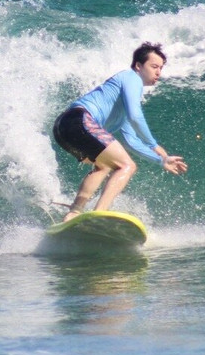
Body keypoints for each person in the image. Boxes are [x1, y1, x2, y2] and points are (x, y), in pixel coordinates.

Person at [52, 42, 187, 221]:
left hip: (63, 127)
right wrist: (155, 146)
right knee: (127, 166)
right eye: (154, 66)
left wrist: (161, 161)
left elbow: (132, 141)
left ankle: (73, 213)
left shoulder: (121, 108)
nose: (158, 72)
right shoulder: (131, 78)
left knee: (104, 166)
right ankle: (98, 215)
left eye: (161, 68)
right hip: (79, 120)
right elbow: (136, 116)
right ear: (138, 66)